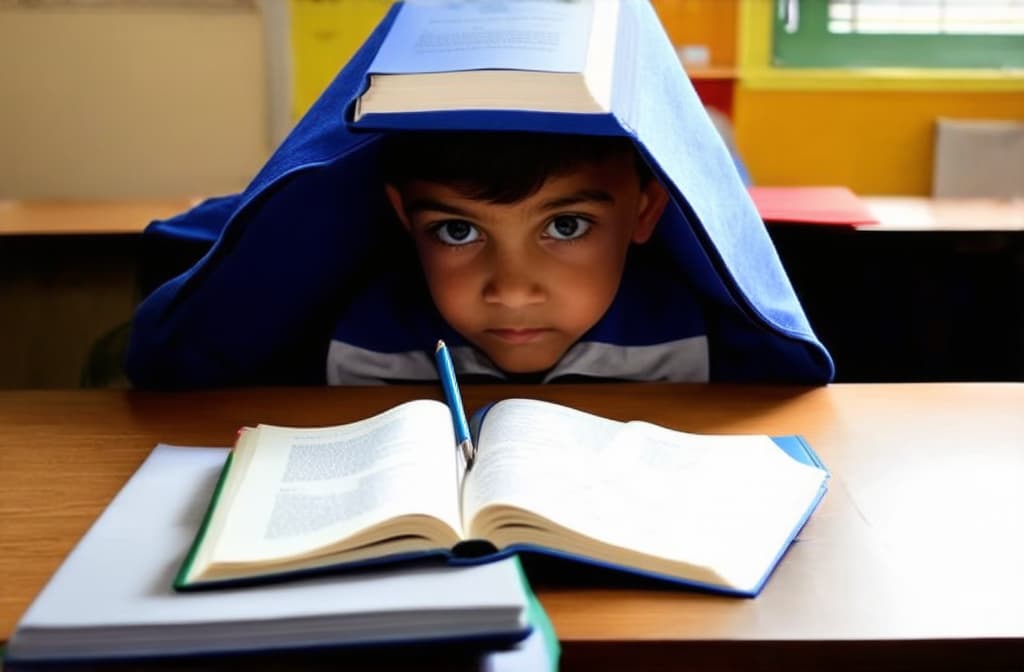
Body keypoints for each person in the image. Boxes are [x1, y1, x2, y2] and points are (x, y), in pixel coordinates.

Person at [125, 4, 832, 389]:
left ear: (646, 210)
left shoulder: (714, 343)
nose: (512, 291)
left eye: (567, 225)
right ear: (403, 217)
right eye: (458, 232)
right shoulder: (344, 336)